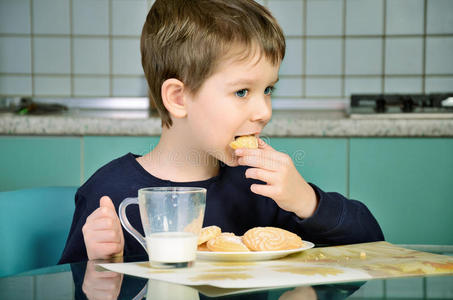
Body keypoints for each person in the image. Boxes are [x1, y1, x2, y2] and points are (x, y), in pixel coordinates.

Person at [59, 0, 384, 264]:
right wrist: (99, 266)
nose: (264, 112)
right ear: (178, 98)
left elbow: (372, 246)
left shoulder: (259, 185)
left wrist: (307, 201)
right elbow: (63, 287)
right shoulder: (107, 194)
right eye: (242, 91)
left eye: (268, 89)